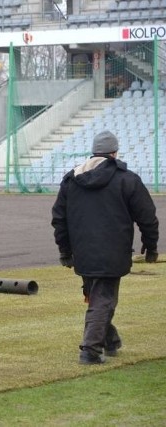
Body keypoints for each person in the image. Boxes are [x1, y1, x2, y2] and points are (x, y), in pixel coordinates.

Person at [51, 130, 159, 365]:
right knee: (103, 300)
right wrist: (150, 247)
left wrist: (65, 251)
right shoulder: (127, 179)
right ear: (114, 152)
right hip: (113, 252)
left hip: (83, 253)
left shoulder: (71, 179)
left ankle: (110, 341)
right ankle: (90, 350)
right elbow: (147, 216)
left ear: (94, 152)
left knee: (98, 297)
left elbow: (59, 219)